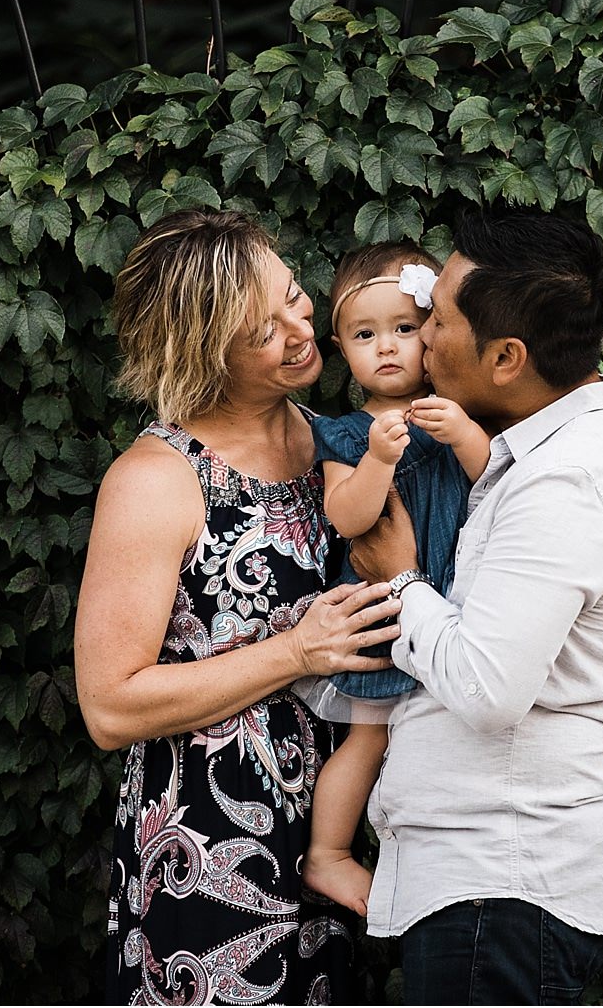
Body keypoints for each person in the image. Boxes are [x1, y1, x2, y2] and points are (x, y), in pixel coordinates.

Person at [75, 209, 404, 1006]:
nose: (301, 329)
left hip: (339, 831)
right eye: (264, 329)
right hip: (206, 852)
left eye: (294, 297)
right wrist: (296, 651)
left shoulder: (341, 443)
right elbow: (110, 704)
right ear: (203, 352)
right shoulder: (156, 479)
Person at [348, 207, 603, 1006]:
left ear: (506, 356)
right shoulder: (538, 452)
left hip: (504, 889)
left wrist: (400, 579)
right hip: (487, 886)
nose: (421, 338)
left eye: (440, 320)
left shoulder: (567, 481)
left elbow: (489, 686)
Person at [296, 243, 489, 917]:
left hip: (452, 610)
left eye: (405, 329)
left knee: (444, 740)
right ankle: (328, 854)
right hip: (382, 610)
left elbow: (491, 481)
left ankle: (430, 862)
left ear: (432, 330)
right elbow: (346, 514)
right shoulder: (348, 434)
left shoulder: (456, 410)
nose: (387, 348)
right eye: (365, 333)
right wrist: (379, 457)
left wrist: (465, 434)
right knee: (369, 735)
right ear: (340, 346)